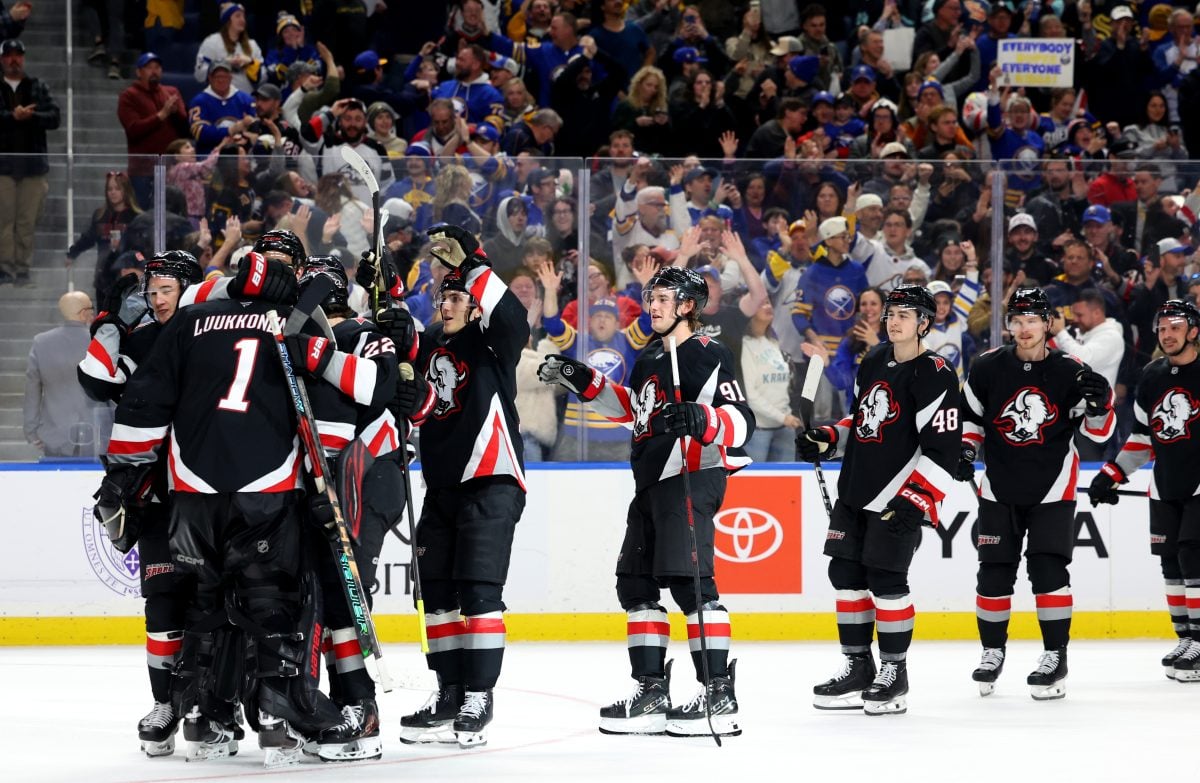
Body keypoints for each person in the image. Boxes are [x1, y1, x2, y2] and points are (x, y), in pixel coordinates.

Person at [97, 251, 344, 764]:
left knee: (203, 603)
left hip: (193, 488)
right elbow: (327, 403)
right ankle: (277, 718)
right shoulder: (289, 320)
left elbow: (144, 398)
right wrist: (331, 477)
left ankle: (200, 716)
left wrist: (124, 474)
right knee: (272, 598)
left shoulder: (189, 320)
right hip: (268, 484)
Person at [538, 265, 752, 737]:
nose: (652, 305)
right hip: (652, 480)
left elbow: (741, 420)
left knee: (690, 585)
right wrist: (581, 378)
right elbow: (633, 409)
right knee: (635, 586)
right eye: (650, 297)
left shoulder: (709, 352)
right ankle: (652, 692)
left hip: (692, 475)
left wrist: (703, 417)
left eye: (663, 298)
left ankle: (720, 692)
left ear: (687, 306)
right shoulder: (652, 356)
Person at [394, 224, 529, 749]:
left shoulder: (492, 343)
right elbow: (394, 356)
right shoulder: (426, 346)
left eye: (457, 297)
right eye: (443, 295)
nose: (448, 304)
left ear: (474, 305)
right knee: (439, 597)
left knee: (478, 591)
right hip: (443, 487)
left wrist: (474, 263)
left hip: (492, 481)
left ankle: (479, 694)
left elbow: (513, 315)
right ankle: (449, 692)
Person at [798, 285, 960, 716]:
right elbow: (862, 419)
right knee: (845, 574)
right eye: (892, 313)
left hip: (898, 497)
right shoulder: (872, 360)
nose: (894, 320)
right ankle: (858, 668)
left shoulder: (936, 372)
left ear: (925, 323)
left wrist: (915, 502)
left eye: (906, 314)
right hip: (856, 490)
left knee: (887, 582)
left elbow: (944, 449)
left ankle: (894, 672)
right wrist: (828, 438)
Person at [79, 253, 210, 757]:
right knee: (162, 600)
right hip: (157, 495)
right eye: (150, 291)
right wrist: (111, 321)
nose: (156, 300)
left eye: (165, 290)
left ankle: (207, 704)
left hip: (209, 490)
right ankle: (165, 703)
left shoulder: (214, 335)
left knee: (213, 600)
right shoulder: (144, 339)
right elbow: (97, 379)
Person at [957, 287, 1115, 701]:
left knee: (1048, 574)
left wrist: (1102, 407)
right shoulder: (987, 367)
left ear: (1048, 324)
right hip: (998, 488)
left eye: (1032, 321)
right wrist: (965, 450)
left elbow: (1099, 433)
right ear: (1008, 325)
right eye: (1017, 321)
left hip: (1052, 490)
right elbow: (970, 421)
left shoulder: (1073, 370)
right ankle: (992, 652)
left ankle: (1054, 656)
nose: (1024, 329)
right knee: (993, 574)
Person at [1089, 299, 1200, 681]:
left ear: (1193, 330)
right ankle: (1187, 638)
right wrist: (1112, 472)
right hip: (1165, 484)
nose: (1167, 334)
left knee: (1193, 557)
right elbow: (1142, 436)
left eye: (1175, 327)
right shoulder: (1152, 377)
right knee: (1170, 560)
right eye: (1162, 328)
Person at [0, 38, 60, 287]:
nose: (14, 59)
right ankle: (5, 268)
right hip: (2, 166)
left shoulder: (37, 85)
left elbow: (55, 117)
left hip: (32, 166)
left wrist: (31, 115)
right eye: (9, 55)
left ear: (23, 58)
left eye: (18, 55)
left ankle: (22, 268)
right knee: (4, 221)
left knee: (26, 222)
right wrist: (11, 116)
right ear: (2, 59)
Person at [25, 291, 102, 457]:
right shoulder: (100, 341)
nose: (94, 313)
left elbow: (32, 391)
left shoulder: (41, 342)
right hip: (96, 434)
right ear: (83, 314)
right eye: (91, 308)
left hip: (55, 434)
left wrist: (31, 430)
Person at [118, 52, 190, 208]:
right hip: (142, 170)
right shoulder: (128, 96)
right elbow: (133, 130)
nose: (154, 71)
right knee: (143, 215)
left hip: (171, 169)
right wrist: (161, 115)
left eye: (157, 67)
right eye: (148, 67)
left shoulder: (171, 92)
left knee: (171, 213)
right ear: (138, 72)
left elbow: (185, 128)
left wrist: (176, 112)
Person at [68, 171, 142, 304]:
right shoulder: (100, 215)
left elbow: (142, 247)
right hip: (104, 276)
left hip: (128, 275)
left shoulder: (136, 217)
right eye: (109, 189)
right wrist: (72, 254)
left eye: (117, 189)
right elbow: (88, 238)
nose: (113, 192)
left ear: (126, 190)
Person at [194, 2, 263, 95]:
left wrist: (250, 63)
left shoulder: (252, 45)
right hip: (218, 98)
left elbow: (264, 78)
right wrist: (224, 64)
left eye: (243, 17)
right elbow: (199, 74)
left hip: (245, 98)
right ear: (227, 20)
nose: (243, 20)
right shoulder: (211, 42)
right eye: (238, 16)